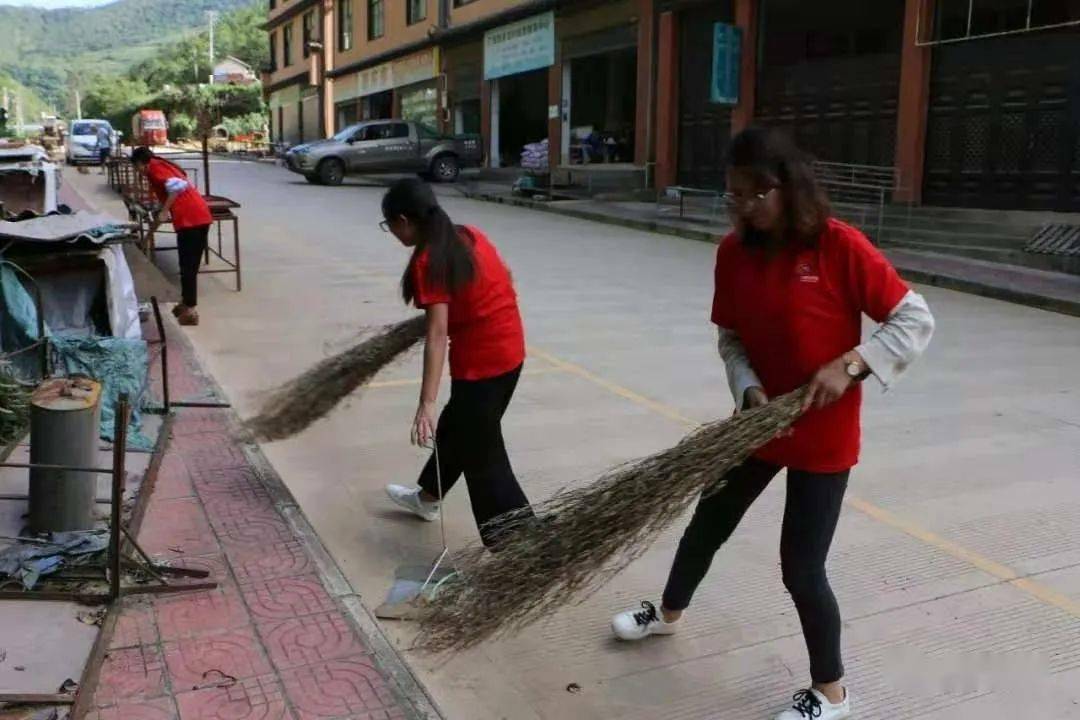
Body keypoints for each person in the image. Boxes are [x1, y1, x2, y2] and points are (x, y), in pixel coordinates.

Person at [609, 128, 935, 720]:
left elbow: (914, 319)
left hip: (823, 437)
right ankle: (668, 614)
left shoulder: (840, 247)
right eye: (732, 196)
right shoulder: (733, 254)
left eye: (750, 196)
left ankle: (830, 692)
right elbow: (730, 336)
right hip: (756, 424)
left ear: (783, 189)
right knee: (709, 521)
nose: (740, 208)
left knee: (801, 567)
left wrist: (853, 363)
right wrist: (747, 386)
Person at [382, 179, 534, 548]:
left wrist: (425, 404)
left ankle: (522, 550)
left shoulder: (428, 261)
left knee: (484, 462)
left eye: (390, 226)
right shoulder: (469, 234)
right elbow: (503, 278)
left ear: (404, 220)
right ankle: (427, 498)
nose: (393, 233)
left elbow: (436, 335)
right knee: (459, 429)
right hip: (511, 354)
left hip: (482, 367)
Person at [131, 146, 213, 326]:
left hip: (190, 218)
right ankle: (186, 302)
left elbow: (177, 186)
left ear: (139, 163)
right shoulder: (160, 164)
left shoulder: (154, 167)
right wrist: (163, 210)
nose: (137, 172)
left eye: (135, 167)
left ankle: (190, 309)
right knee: (189, 265)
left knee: (187, 266)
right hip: (200, 215)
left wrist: (165, 210)